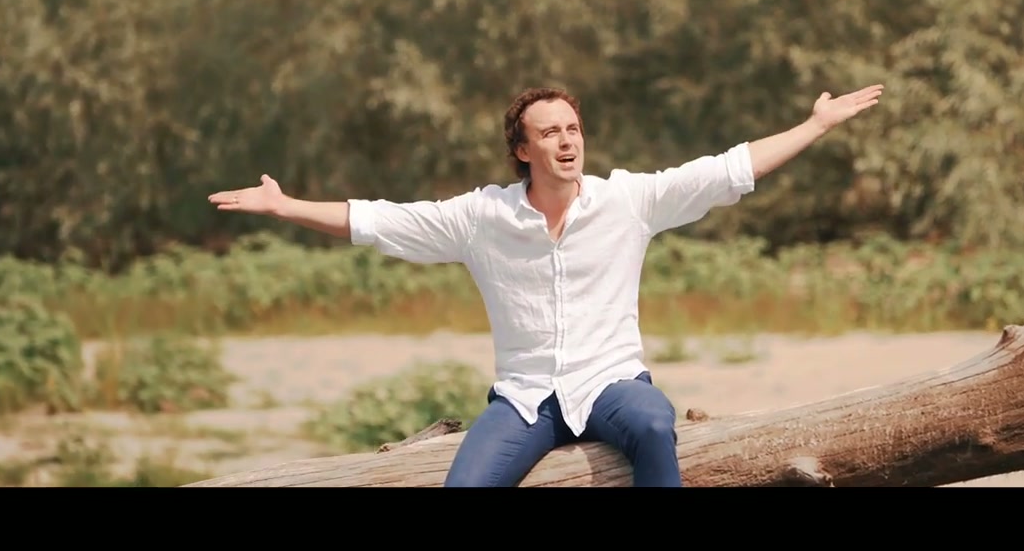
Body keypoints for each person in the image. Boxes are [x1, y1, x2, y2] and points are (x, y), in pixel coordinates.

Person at [208, 83, 884, 486]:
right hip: (526, 399)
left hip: (611, 383)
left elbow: (727, 171)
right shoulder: (482, 217)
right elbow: (379, 221)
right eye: (550, 132)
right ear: (522, 149)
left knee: (655, 422)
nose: (567, 141)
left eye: (573, 129)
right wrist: (285, 206)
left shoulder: (627, 200)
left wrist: (815, 125)